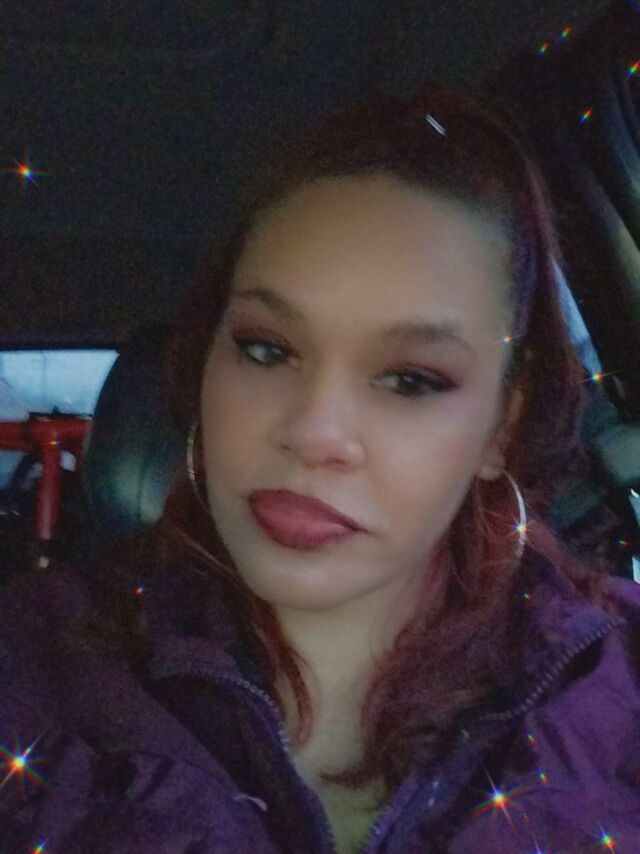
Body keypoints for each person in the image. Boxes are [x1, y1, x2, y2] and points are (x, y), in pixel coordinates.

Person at [1, 85, 639, 854]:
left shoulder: (619, 682)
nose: (313, 433)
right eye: (266, 349)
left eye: (411, 379)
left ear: (501, 425)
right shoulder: (35, 665)